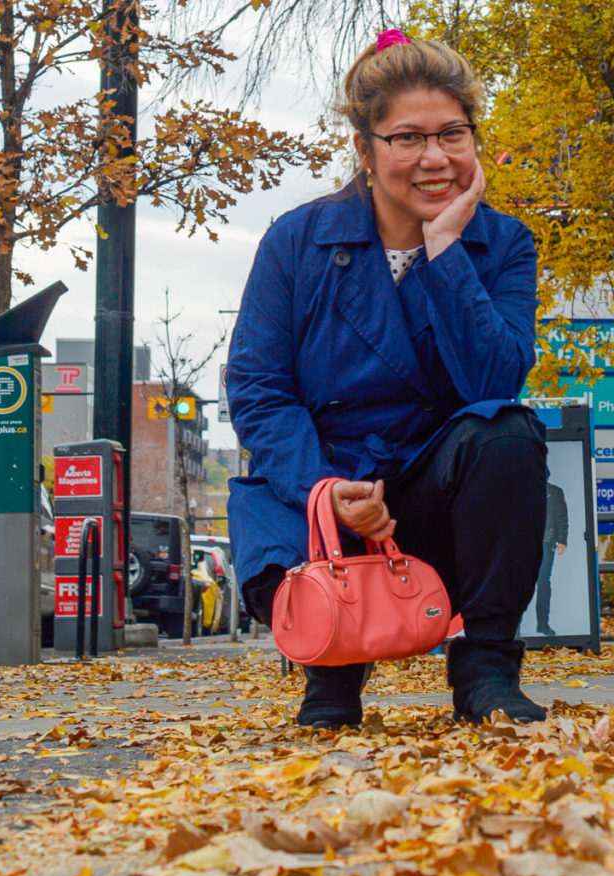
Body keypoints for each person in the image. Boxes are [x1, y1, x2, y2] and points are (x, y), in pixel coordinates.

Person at [226, 29, 548, 727]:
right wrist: (326, 488)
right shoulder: (295, 241)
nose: (433, 158)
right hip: (326, 479)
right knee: (282, 487)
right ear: (365, 148)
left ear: (473, 139)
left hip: (435, 489)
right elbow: (259, 389)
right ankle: (331, 675)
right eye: (406, 138)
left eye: (451, 134)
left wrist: (444, 251)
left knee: (507, 434)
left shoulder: (503, 244)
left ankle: (486, 669)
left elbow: (494, 380)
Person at [535, 482, 568, 636]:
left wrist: (562, 540)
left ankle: (542, 623)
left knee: (543, 582)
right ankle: (517, 626)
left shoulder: (555, 492)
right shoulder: (521, 487)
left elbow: (562, 516)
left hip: (546, 543)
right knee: (520, 584)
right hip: (525, 543)